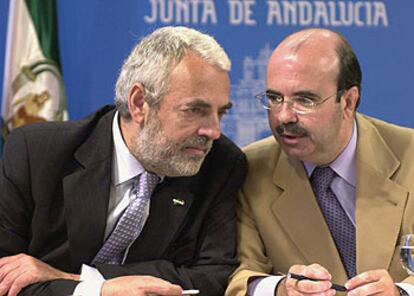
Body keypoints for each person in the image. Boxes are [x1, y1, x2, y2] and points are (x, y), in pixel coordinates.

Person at [0, 26, 246, 296]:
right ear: (139, 103)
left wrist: (90, 284)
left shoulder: (221, 163)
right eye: (195, 110)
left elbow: (213, 277)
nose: (213, 131)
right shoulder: (38, 154)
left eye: (220, 113)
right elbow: (6, 275)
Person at [225, 28, 414, 296]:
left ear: (348, 101)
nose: (284, 116)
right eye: (275, 98)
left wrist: (402, 292)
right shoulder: (249, 169)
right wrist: (280, 290)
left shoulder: (410, 155)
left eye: (304, 100)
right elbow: (237, 275)